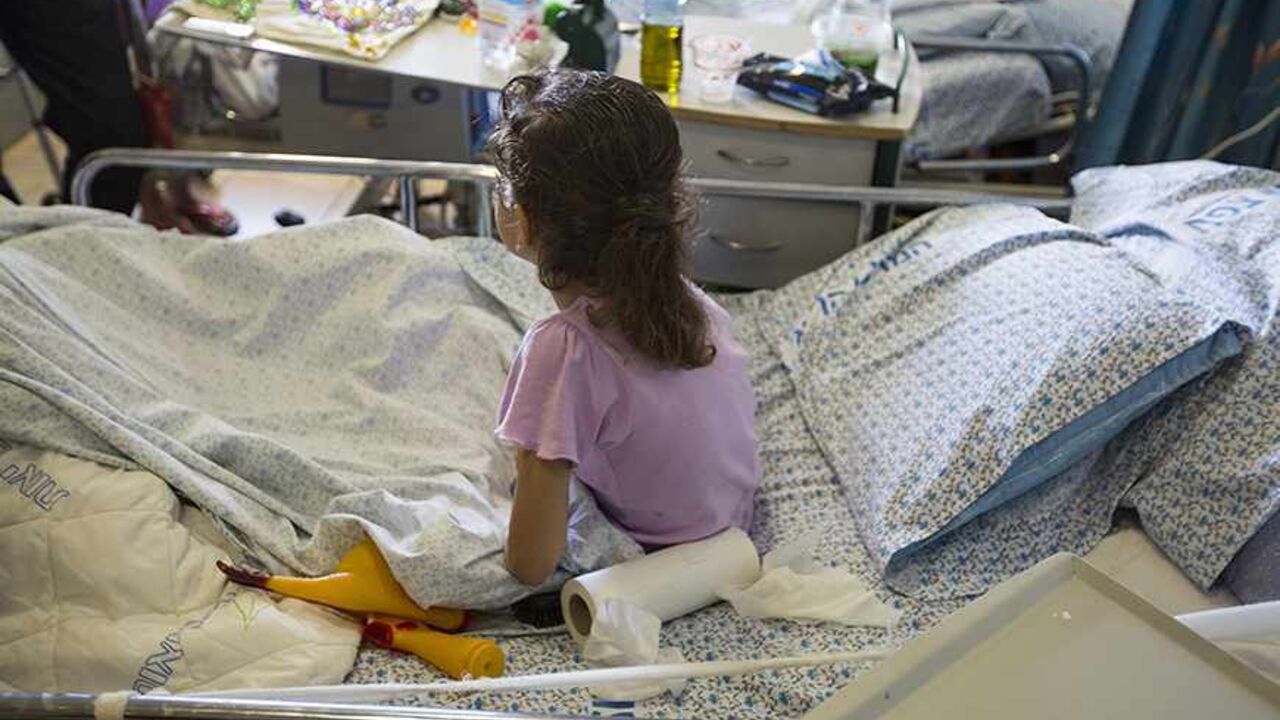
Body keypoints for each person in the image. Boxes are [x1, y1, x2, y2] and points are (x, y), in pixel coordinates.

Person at [489, 69, 761, 586]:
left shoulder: (561, 350)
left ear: (521, 220)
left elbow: (530, 564)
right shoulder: (685, 299)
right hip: (733, 525)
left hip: (661, 563)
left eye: (501, 184)